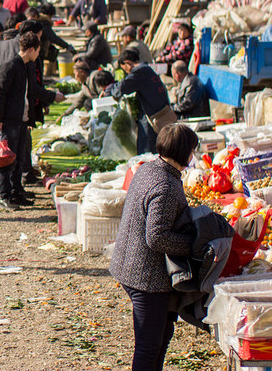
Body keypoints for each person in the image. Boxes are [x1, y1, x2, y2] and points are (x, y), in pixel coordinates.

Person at [110, 124, 199, 371]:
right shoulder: (166, 186)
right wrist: (194, 245)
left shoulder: (149, 168)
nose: (193, 156)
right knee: (149, 348)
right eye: (192, 150)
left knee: (162, 335)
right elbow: (157, 237)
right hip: (146, 277)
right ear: (183, 152)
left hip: (129, 265)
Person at [0, 32, 42, 211]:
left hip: (22, 119)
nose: (38, 54)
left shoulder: (26, 66)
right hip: (10, 120)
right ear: (30, 49)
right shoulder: (11, 65)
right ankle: (5, 195)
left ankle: (17, 191)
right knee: (6, 159)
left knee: (19, 158)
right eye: (37, 50)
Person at [111, 48, 175, 154]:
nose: (127, 73)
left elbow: (121, 88)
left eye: (125, 70)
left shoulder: (139, 72)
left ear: (127, 63)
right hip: (161, 113)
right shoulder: (148, 69)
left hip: (153, 118)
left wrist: (112, 89)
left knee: (147, 151)